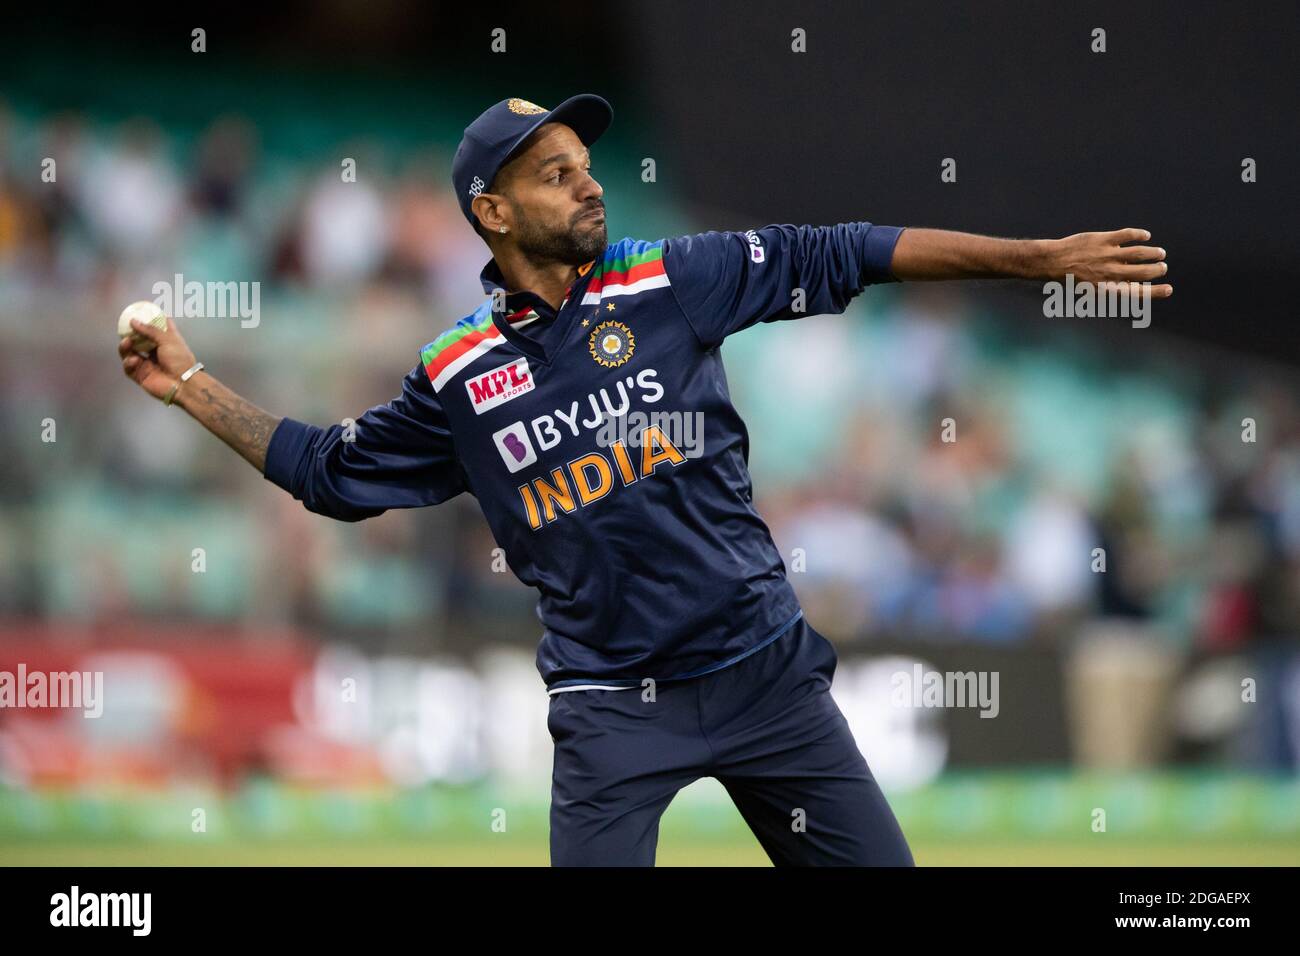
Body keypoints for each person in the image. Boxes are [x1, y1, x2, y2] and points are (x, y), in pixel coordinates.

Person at [119, 94, 1172, 866]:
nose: (587, 184)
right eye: (555, 173)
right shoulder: (457, 374)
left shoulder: (672, 280)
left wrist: (1031, 258)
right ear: (491, 213)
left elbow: (843, 251)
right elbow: (332, 473)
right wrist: (192, 384)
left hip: (765, 675)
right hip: (614, 706)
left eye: (586, 163)